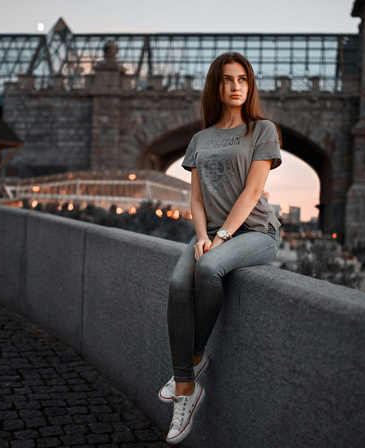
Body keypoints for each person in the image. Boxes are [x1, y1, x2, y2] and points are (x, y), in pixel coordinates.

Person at [159, 52, 282, 445]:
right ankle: (190, 377)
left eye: (243, 79)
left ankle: (186, 379)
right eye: (228, 79)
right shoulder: (199, 140)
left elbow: (252, 191)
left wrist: (223, 237)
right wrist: (202, 236)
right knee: (180, 283)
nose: (235, 87)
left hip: (256, 232)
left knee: (208, 270)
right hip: (212, 233)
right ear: (216, 86)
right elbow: (195, 198)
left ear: (250, 86)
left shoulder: (262, 130)